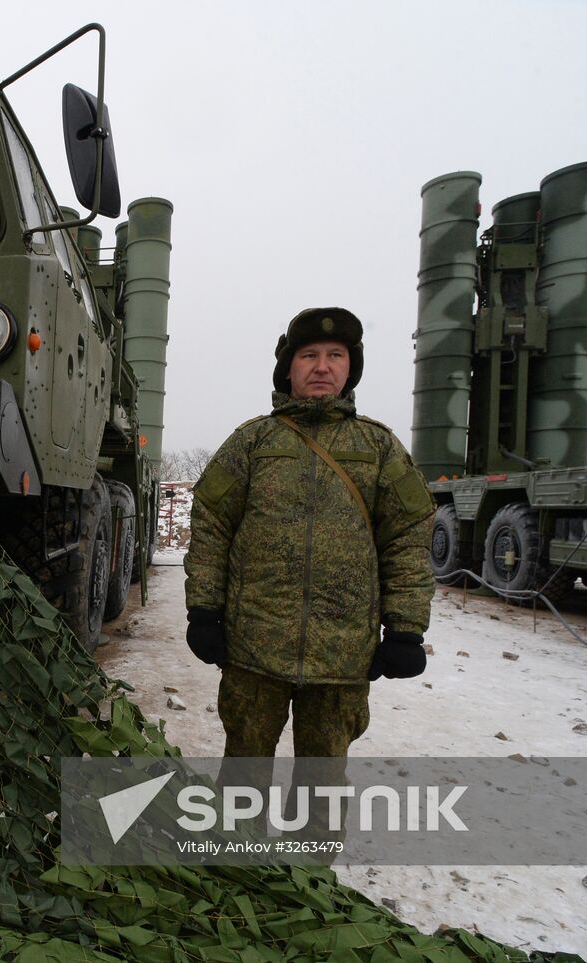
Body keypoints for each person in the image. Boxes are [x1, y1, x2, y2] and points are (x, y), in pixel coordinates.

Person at [183, 307, 435, 760]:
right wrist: (203, 611)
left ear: (349, 368)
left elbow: (407, 540)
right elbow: (211, 526)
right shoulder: (252, 443)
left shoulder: (379, 448)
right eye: (309, 356)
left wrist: (406, 630)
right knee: (242, 782)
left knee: (320, 796)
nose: (322, 367)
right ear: (289, 369)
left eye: (336, 355)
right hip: (254, 652)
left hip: (340, 661)